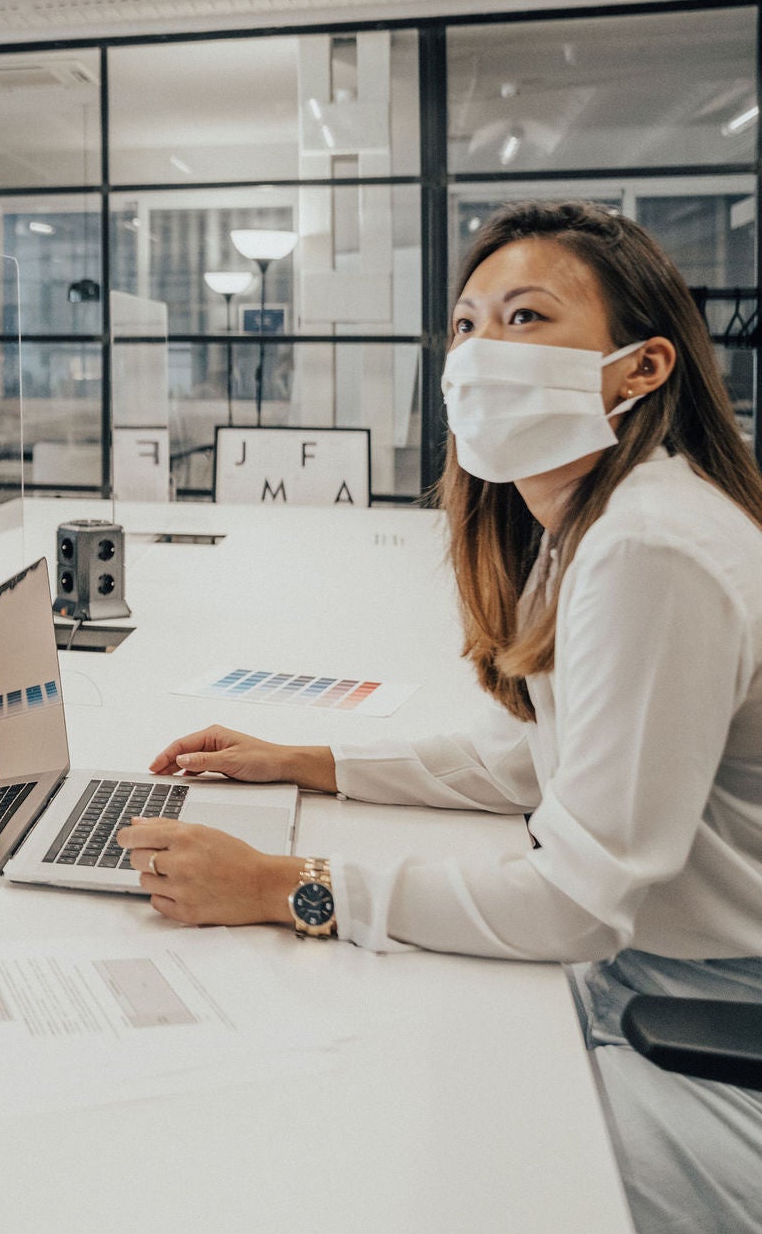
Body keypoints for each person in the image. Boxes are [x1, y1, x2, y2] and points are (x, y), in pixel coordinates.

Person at [113, 202, 762, 1232]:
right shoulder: (589, 524)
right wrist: (307, 759)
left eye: (525, 317)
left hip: (704, 1023)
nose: (477, 354)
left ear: (640, 369)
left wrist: (289, 887)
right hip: (651, 982)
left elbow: (579, 904)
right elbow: (523, 764)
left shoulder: (652, 548)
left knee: (390, 1146)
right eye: (464, 325)